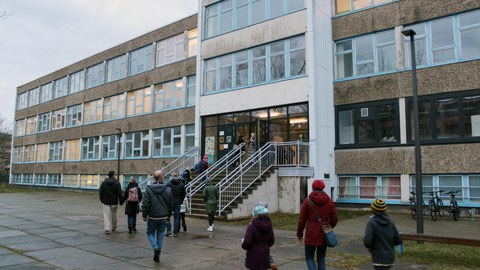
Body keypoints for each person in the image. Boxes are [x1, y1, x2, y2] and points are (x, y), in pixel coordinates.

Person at [296, 179, 338, 270]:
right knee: (321, 259)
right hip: (324, 234)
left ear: (313, 187)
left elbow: (302, 220)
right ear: (323, 187)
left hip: (311, 234)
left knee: (309, 258)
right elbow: (335, 219)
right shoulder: (329, 201)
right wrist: (328, 227)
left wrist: (299, 234)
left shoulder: (307, 201)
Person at [142, 170, 174, 263]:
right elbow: (171, 203)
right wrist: (169, 215)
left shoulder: (148, 189)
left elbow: (145, 204)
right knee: (160, 236)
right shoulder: (168, 189)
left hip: (152, 217)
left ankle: (155, 248)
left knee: (150, 233)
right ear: (161, 177)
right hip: (163, 217)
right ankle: (158, 255)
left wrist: (144, 215)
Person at [364, 199, 403, 270]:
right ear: (385, 210)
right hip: (390, 258)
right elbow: (398, 240)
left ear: (372, 210)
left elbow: (367, 241)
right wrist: (388, 244)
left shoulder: (371, 222)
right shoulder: (391, 223)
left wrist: (371, 247)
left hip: (378, 257)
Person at [241, 204, 275, 270]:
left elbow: (247, 242)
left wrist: (243, 244)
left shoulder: (251, 226)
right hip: (265, 255)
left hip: (253, 255)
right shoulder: (269, 226)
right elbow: (271, 241)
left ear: (255, 215)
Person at [99, 170, 123, 235]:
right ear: (113, 175)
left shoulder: (104, 183)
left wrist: (102, 199)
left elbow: (100, 192)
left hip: (106, 202)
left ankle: (107, 229)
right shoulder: (117, 183)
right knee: (114, 214)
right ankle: (114, 226)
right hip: (114, 202)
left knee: (106, 215)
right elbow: (120, 193)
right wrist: (121, 201)